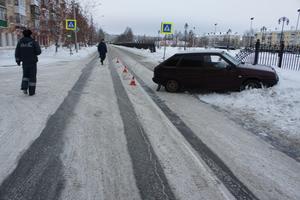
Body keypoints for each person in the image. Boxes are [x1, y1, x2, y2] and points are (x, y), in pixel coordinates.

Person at [15, 29, 41, 96]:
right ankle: (31, 92)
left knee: (25, 76)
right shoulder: (33, 41)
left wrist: (18, 60)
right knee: (32, 77)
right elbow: (38, 52)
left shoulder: (20, 42)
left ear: (23, 34)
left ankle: (24, 88)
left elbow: (17, 52)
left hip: (25, 62)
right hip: (32, 62)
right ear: (30, 34)